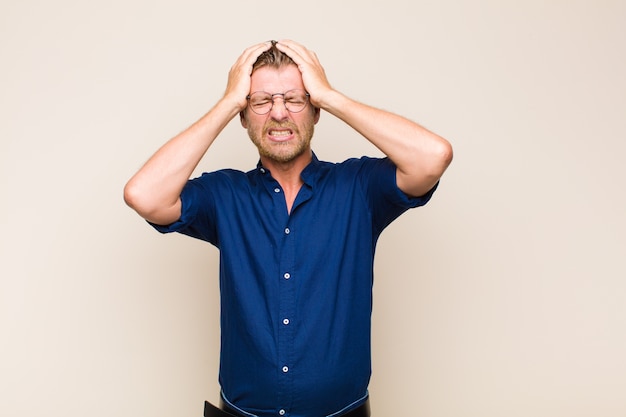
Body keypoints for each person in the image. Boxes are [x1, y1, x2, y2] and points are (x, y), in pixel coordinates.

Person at [124, 39, 453, 417]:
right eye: (261, 102)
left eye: (294, 100)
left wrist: (330, 95)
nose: (279, 114)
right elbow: (143, 194)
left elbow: (433, 156)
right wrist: (227, 102)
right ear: (244, 117)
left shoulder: (358, 187)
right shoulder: (225, 195)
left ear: (315, 111)